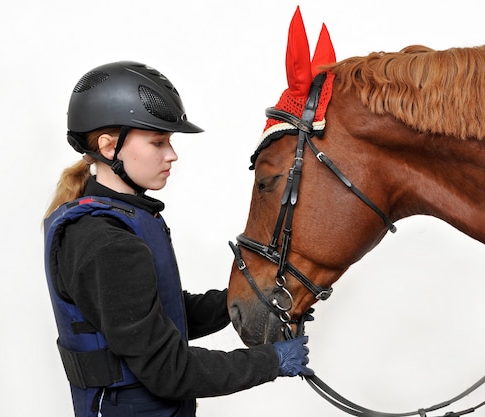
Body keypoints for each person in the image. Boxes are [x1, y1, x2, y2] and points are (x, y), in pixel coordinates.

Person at [43, 61, 313, 417]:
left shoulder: (128, 218)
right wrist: (270, 361)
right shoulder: (105, 241)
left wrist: (254, 296)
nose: (171, 154)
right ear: (109, 147)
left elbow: (163, 315)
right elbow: (168, 371)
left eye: (169, 141)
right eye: (158, 141)